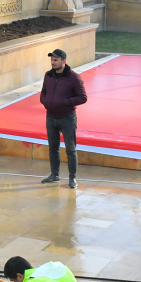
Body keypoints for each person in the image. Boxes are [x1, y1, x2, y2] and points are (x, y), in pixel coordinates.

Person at [39, 49, 86, 189]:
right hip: (51, 118)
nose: (53, 62)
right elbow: (43, 92)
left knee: (70, 149)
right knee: (53, 148)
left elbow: (83, 98)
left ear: (63, 61)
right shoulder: (48, 75)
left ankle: (72, 178)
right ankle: (55, 175)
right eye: (52, 60)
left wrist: (65, 102)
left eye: (56, 60)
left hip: (67, 118)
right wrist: (45, 102)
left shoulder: (74, 78)